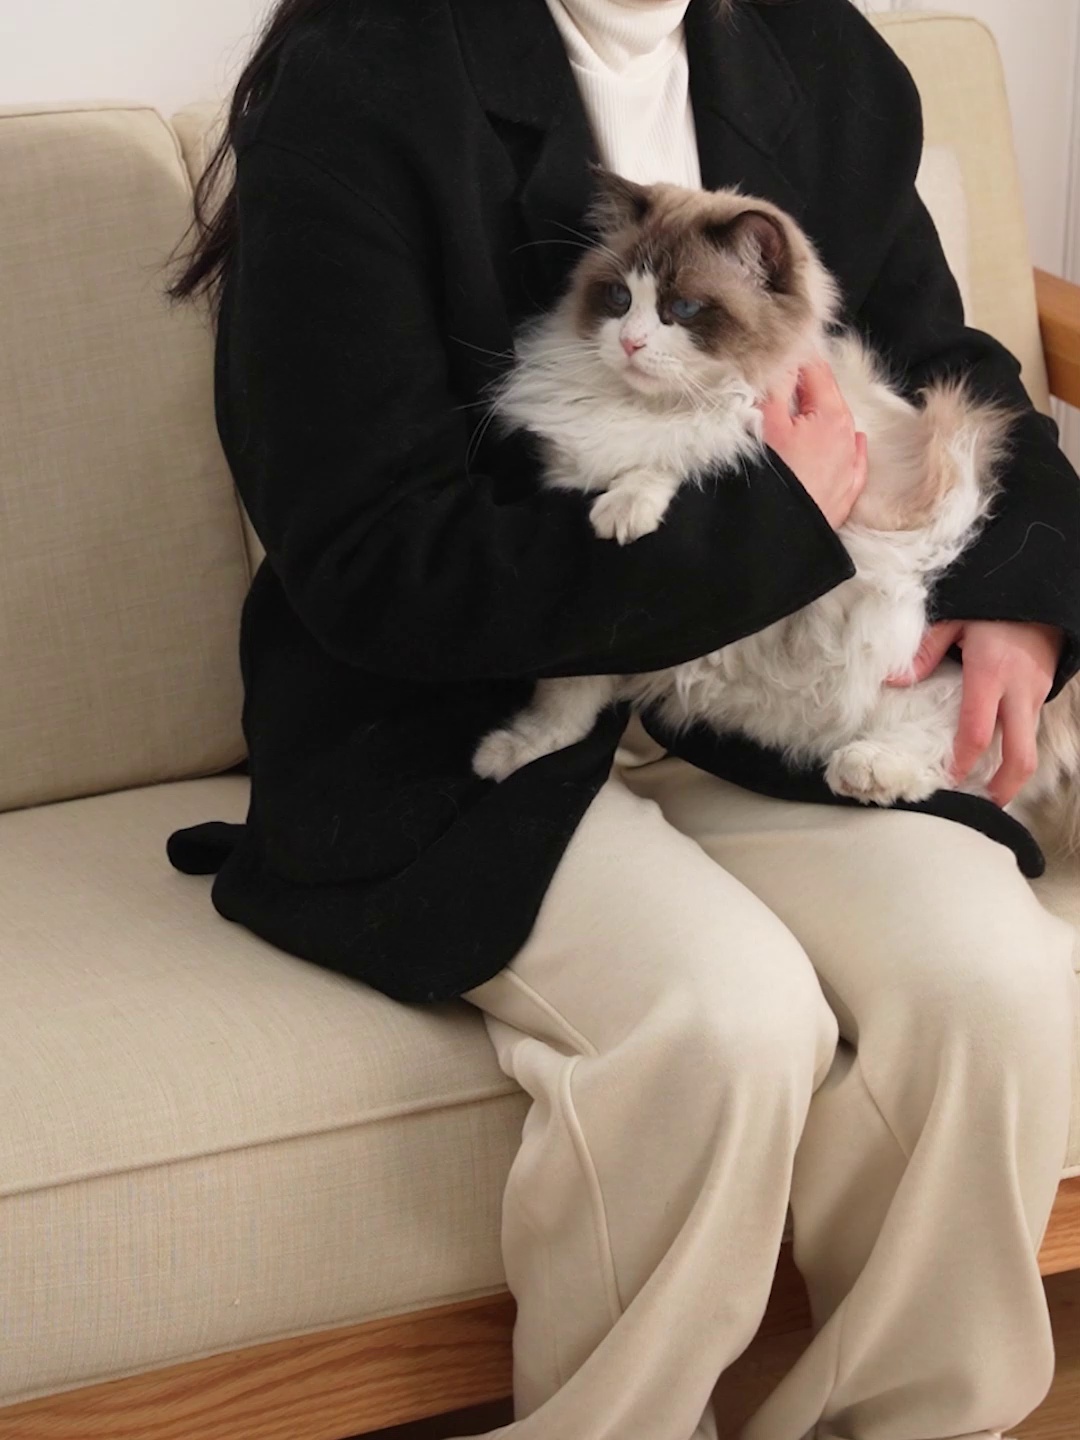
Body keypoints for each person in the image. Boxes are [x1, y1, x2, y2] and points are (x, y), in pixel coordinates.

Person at [168, 2, 1080, 1437]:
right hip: (462, 711)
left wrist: (1024, 595)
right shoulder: (365, 78)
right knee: (726, 1022)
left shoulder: (812, 51)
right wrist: (770, 529)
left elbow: (937, 349)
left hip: (768, 700)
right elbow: (365, 555)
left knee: (996, 986)